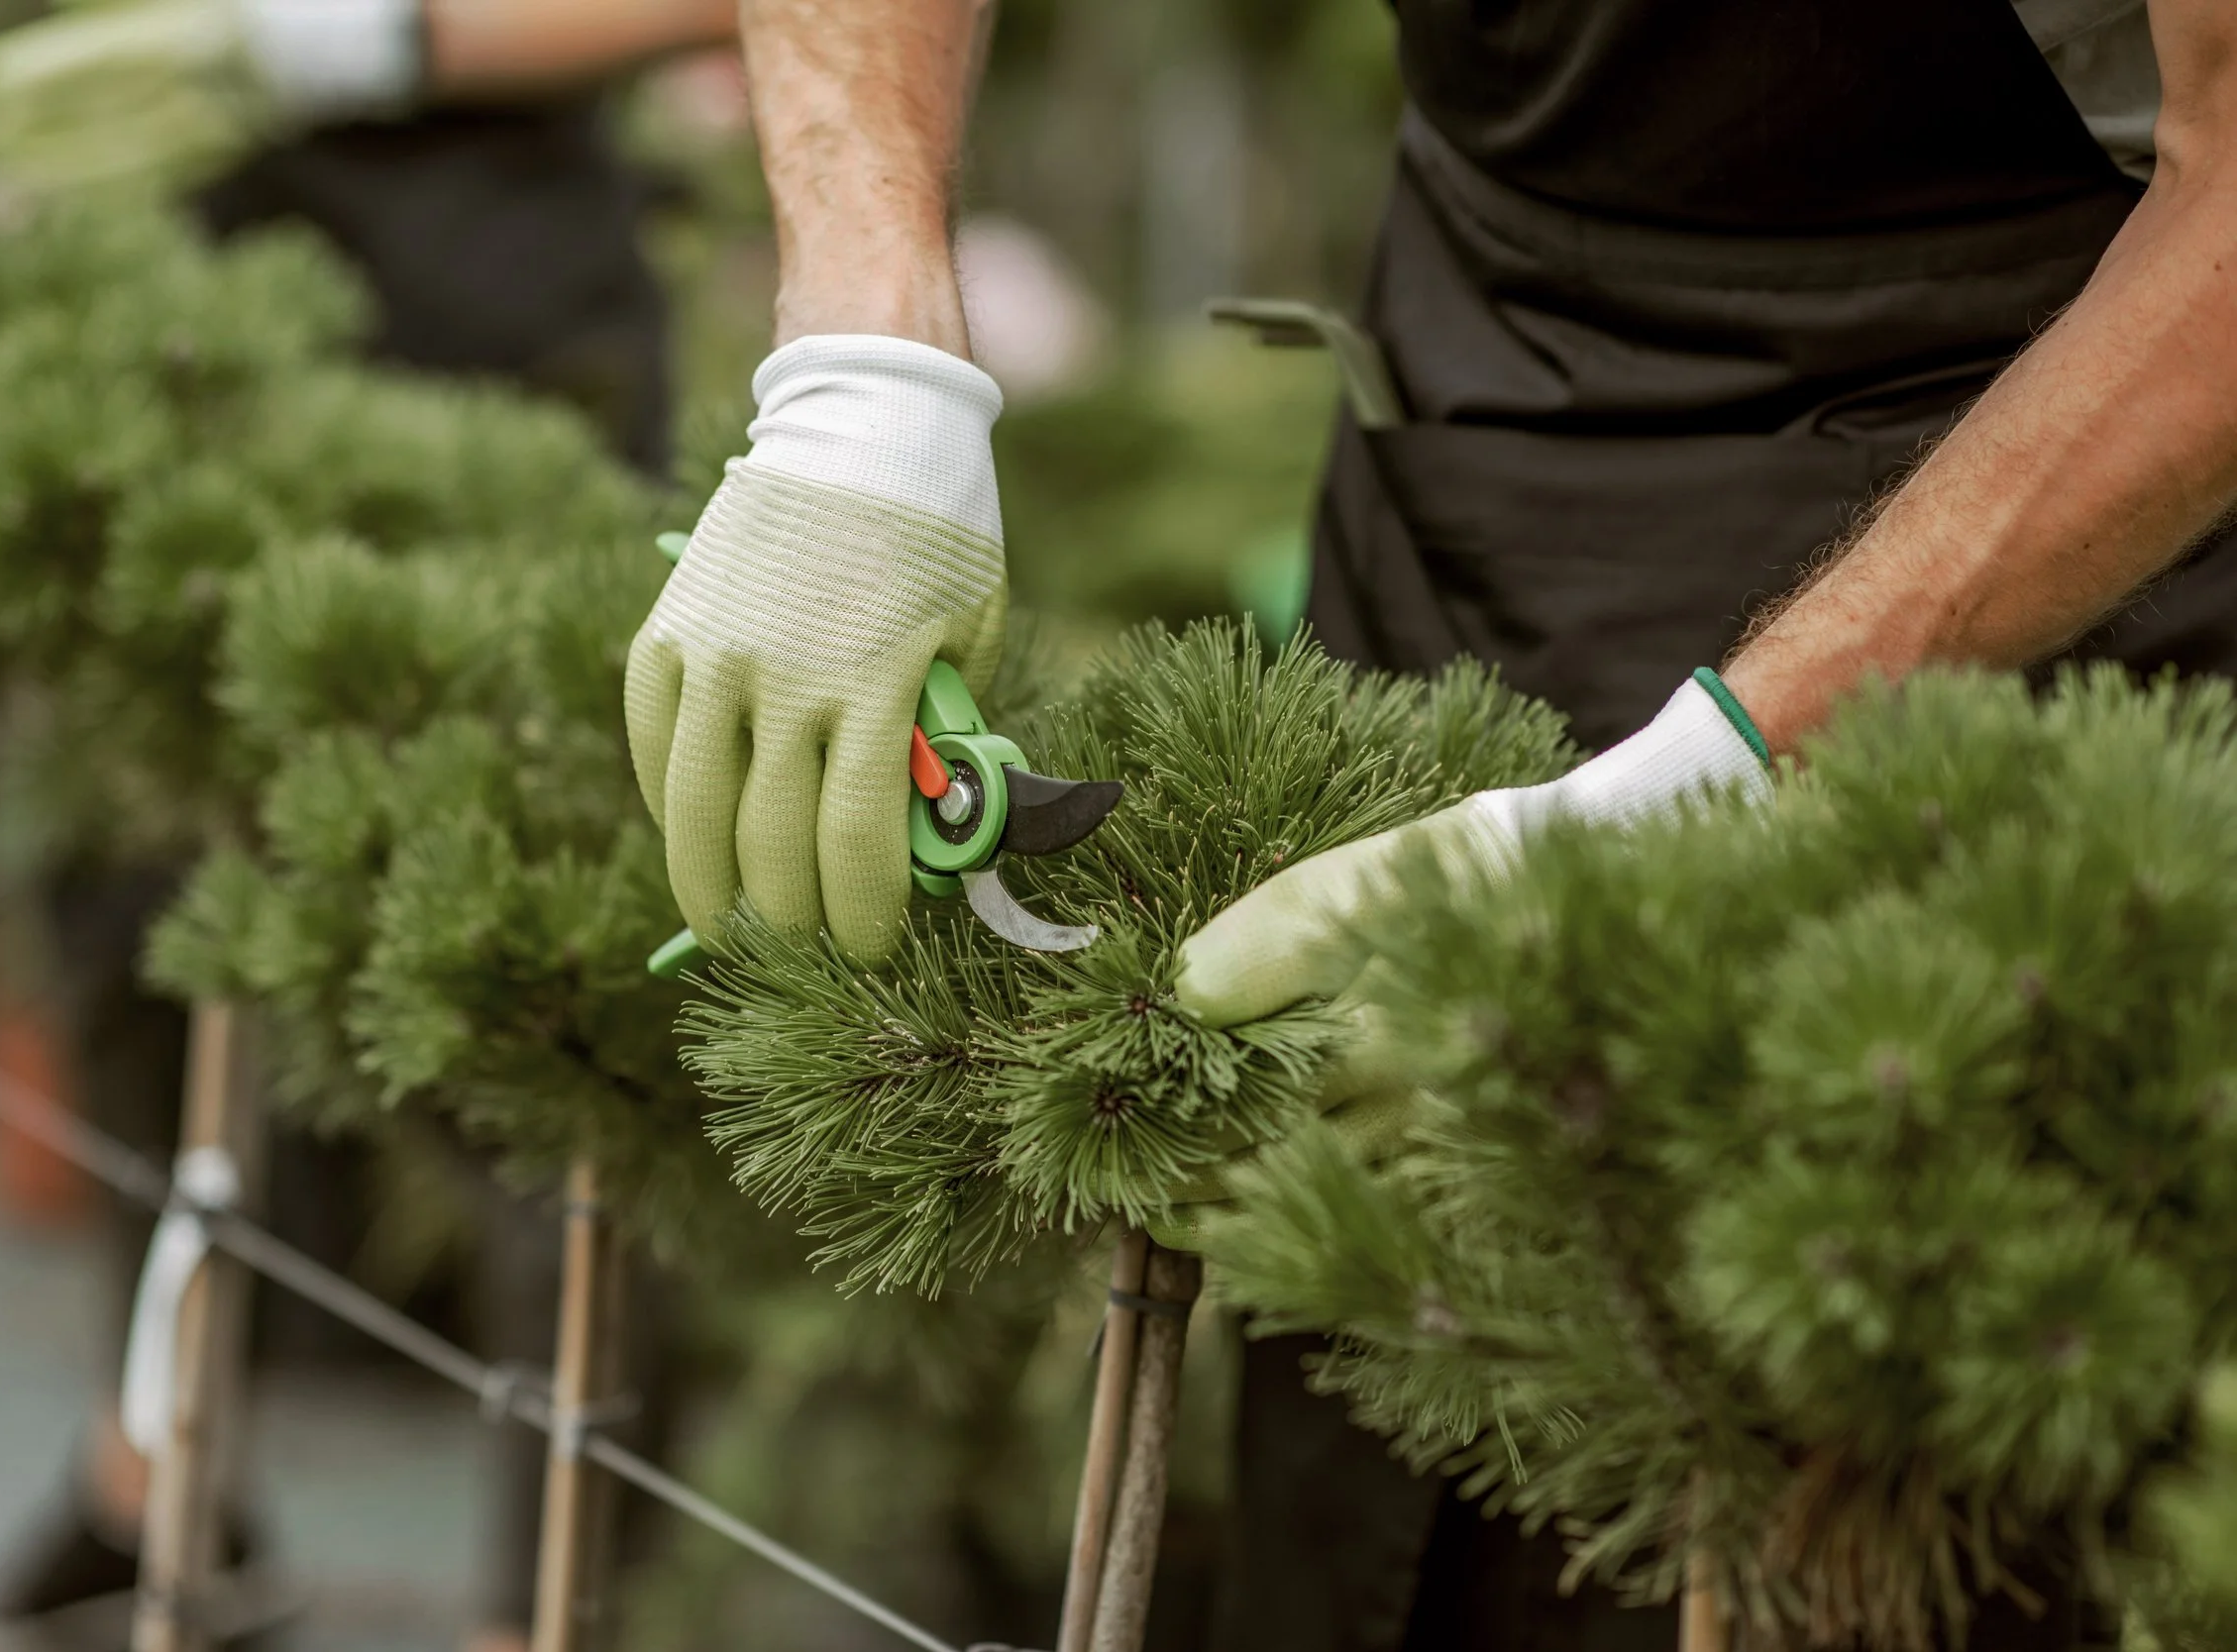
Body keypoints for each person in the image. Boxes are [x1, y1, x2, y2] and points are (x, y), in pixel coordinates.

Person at [622, 0, 2237, 1646]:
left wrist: (1719, 769)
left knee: (1856, 1492)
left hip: (2038, 482)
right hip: (1467, 397)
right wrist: (865, 368)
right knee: (1368, 1439)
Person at [0, 3, 731, 1649]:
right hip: (202, 319)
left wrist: (388, 39)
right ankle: (163, 1478)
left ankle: (552, 1605)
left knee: (530, 1014)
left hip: (498, 351)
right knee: (135, 929)